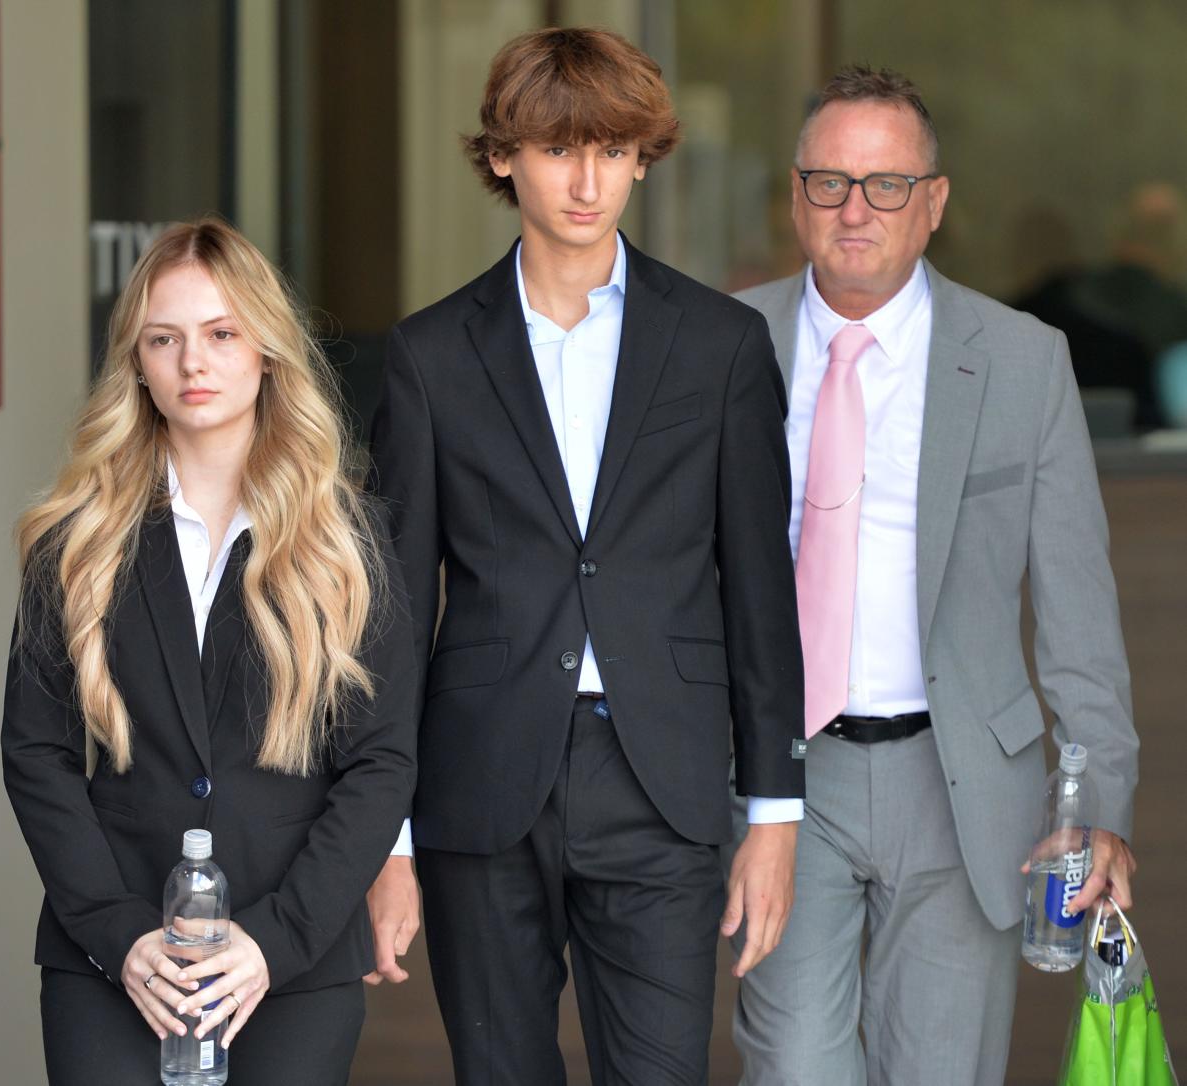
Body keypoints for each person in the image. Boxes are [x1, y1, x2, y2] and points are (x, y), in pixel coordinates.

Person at [366, 26, 804, 1085]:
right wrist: (391, 839)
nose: (588, 179)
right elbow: (386, 609)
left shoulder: (720, 345)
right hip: (481, 779)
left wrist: (775, 812)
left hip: (661, 776)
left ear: (645, 157)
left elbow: (760, 588)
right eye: (561, 148)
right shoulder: (427, 356)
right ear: (505, 155)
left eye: (613, 149)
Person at [725, 66, 1140, 1085]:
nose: (855, 209)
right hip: (785, 782)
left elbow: (1078, 606)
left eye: (886, 184)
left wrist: (1101, 804)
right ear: (795, 197)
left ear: (935, 202)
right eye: (830, 182)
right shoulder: (723, 342)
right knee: (793, 1068)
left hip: (962, 784)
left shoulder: (1022, 359)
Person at [1, 217, 418, 1085]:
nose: (194, 363)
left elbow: (381, 761)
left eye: (222, 334)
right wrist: (121, 937)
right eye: (166, 340)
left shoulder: (347, 539)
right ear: (138, 363)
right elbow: (34, 755)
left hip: (290, 967)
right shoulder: (74, 541)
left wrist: (275, 940)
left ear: (266, 350)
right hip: (111, 965)